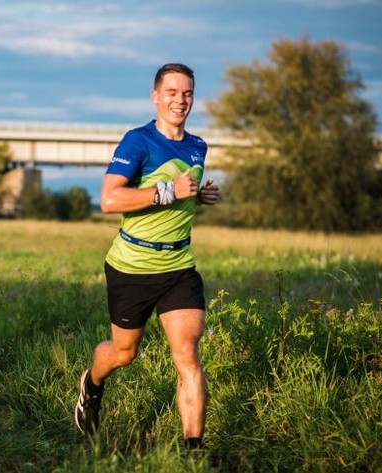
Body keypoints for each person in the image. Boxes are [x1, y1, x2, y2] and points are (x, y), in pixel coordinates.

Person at [74, 63, 220, 451]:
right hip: (132, 267)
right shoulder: (137, 142)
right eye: (171, 92)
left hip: (179, 267)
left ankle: (193, 451)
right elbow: (109, 199)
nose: (180, 100)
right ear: (155, 96)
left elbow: (178, 199)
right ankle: (91, 382)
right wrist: (168, 191)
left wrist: (199, 197)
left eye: (187, 93)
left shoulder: (198, 146)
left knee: (187, 355)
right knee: (123, 353)